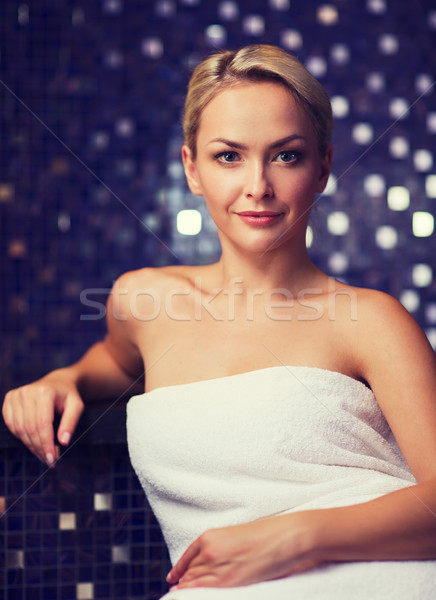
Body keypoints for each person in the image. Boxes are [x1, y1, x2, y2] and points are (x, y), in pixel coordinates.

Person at [3, 44, 436, 599]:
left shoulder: (371, 320)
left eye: (286, 156)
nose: (258, 185)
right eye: (229, 156)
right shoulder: (145, 299)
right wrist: (66, 380)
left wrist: (292, 538)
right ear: (192, 168)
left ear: (323, 167)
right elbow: (115, 360)